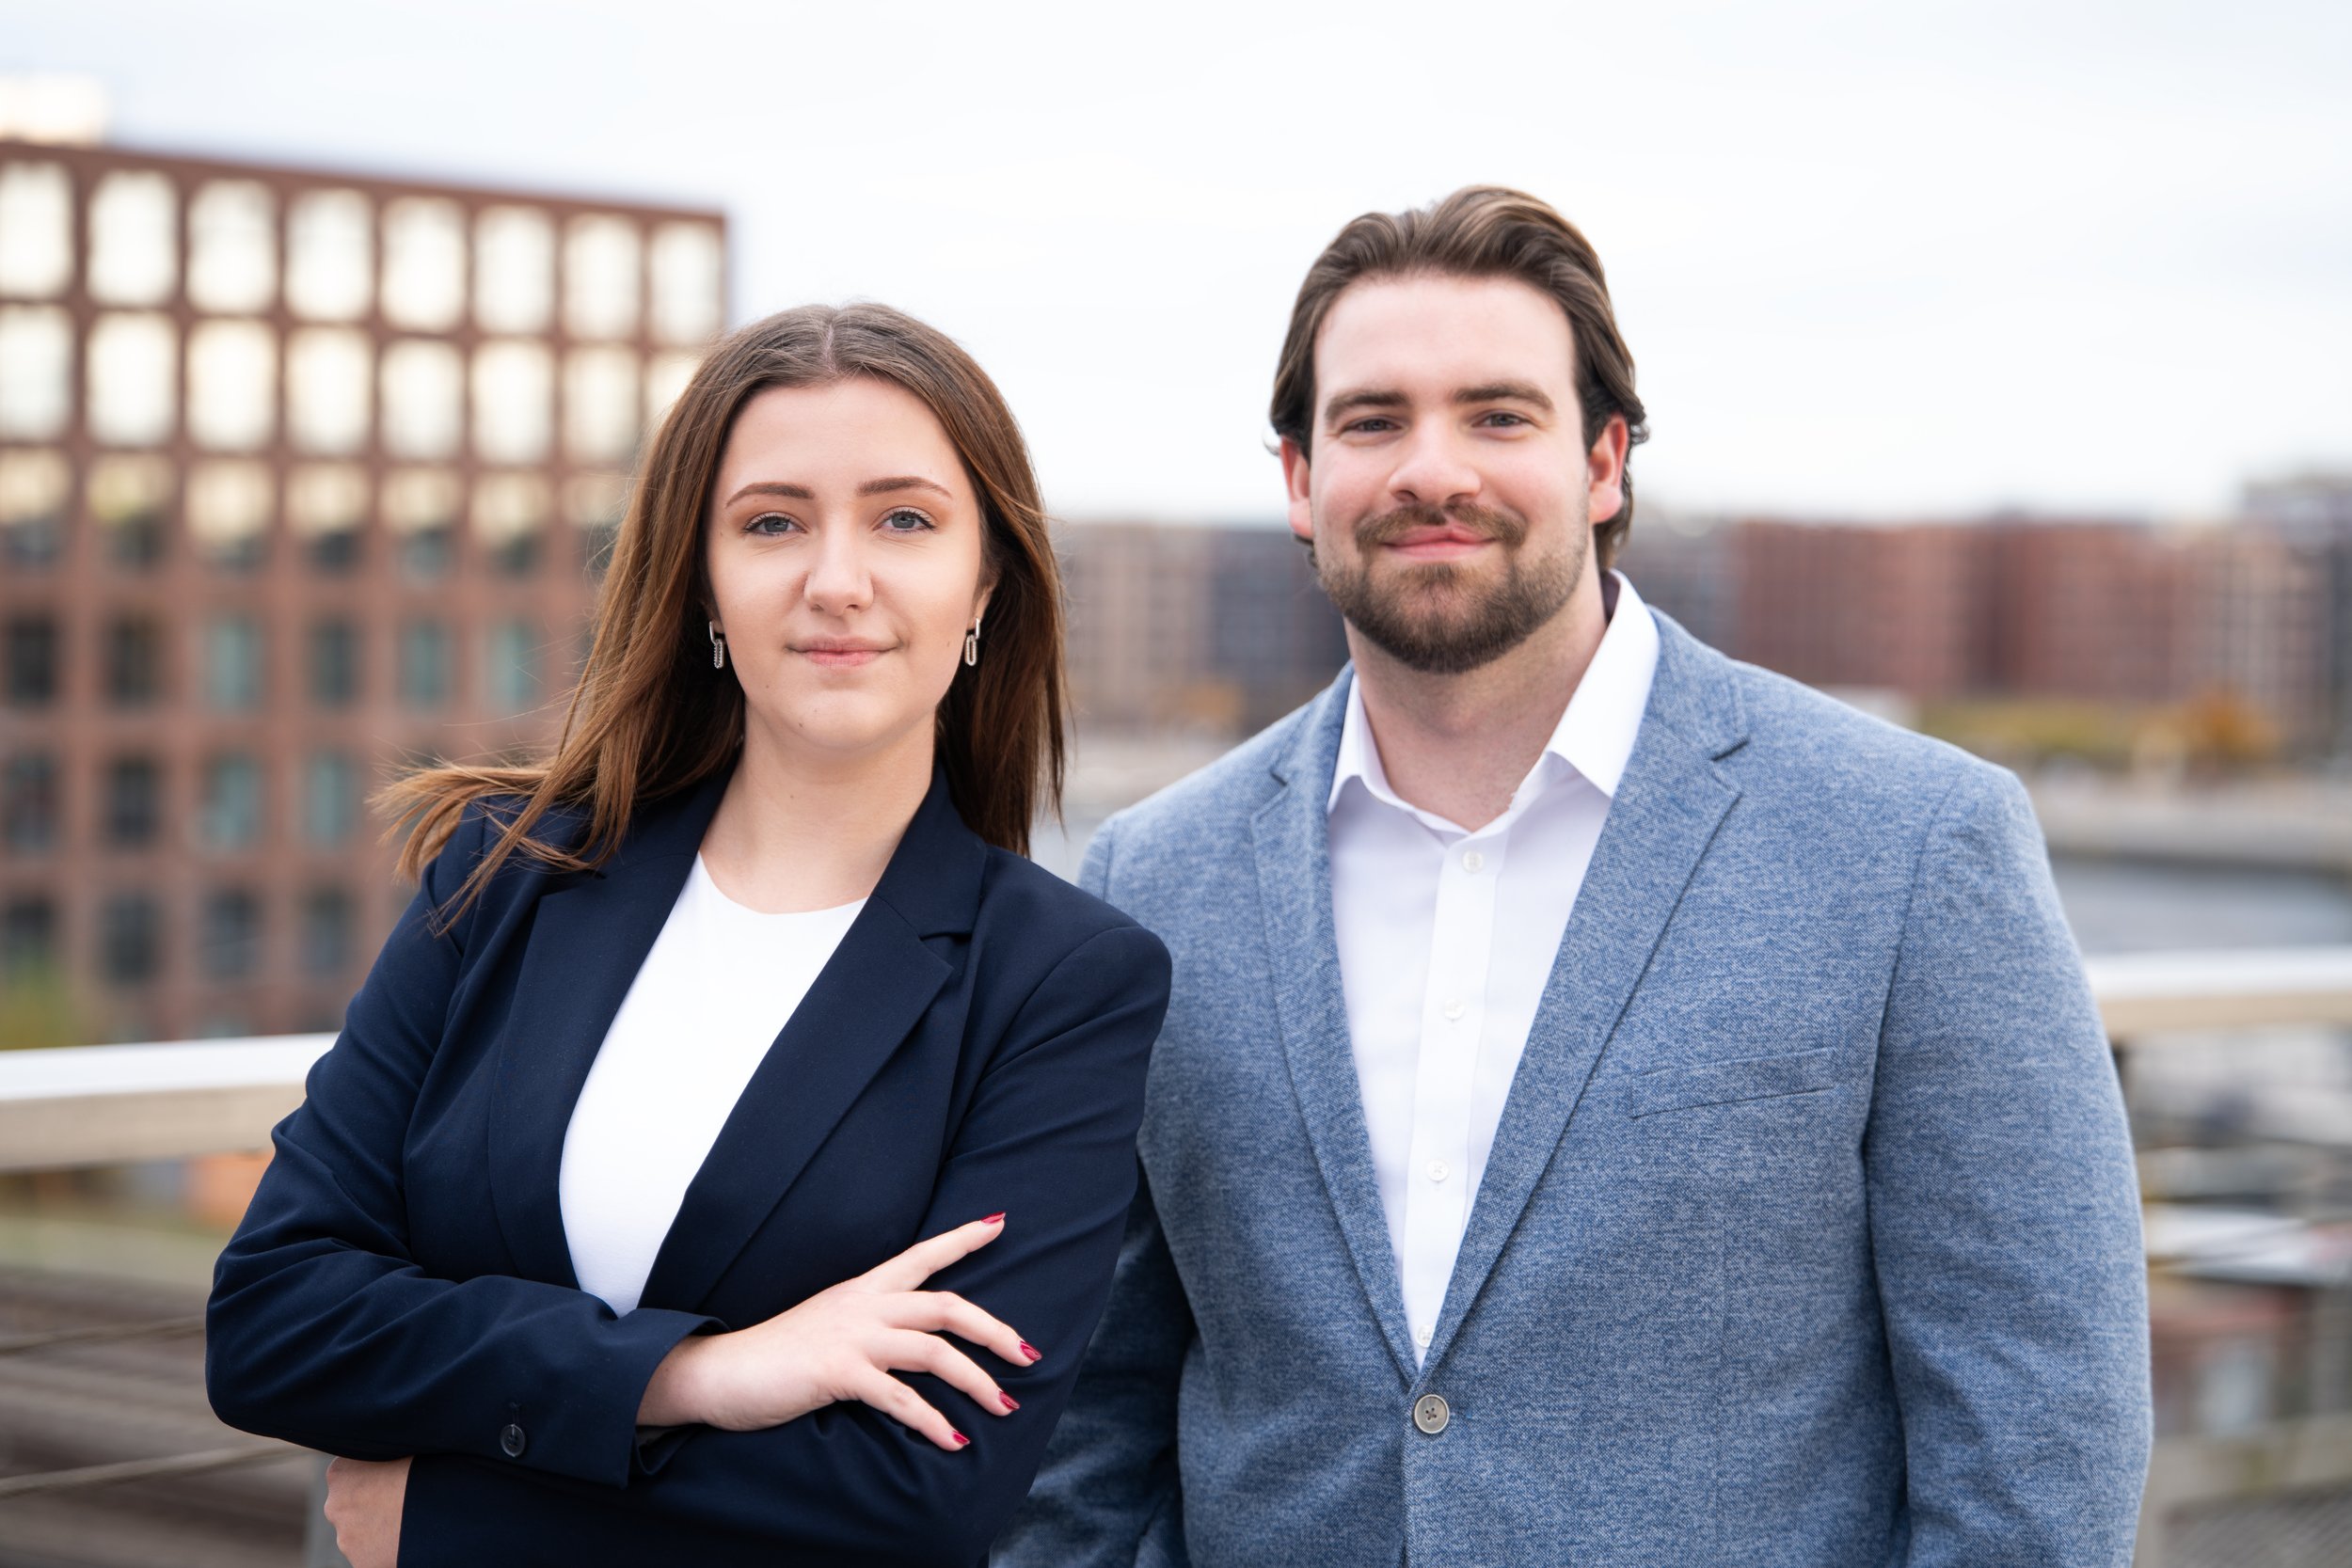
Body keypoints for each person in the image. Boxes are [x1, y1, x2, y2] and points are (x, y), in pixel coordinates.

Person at [999, 187, 2152, 1566]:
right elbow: (1088, 1414)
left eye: (1499, 415)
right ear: (1301, 483)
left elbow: (2038, 1440)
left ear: (1604, 464)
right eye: (1373, 420)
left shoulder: (1914, 845)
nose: (1434, 470)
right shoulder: (1152, 877)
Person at [205, 303, 1172, 1567]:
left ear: (984, 583)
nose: (838, 579)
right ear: (703, 583)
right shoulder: (510, 872)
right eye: (772, 522)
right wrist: (697, 1376)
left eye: (905, 520)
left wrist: (452, 1516)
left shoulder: (1058, 982)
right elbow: (273, 1324)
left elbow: (927, 1494)